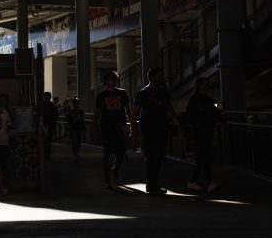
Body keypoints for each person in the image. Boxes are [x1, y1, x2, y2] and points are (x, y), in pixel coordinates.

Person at [133, 67, 183, 195]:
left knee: (158, 157)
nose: (161, 79)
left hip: (161, 128)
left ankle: (153, 184)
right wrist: (133, 128)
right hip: (149, 130)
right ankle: (152, 185)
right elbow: (135, 111)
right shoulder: (143, 93)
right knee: (152, 157)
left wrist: (178, 123)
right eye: (159, 76)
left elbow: (169, 108)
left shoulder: (163, 92)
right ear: (151, 77)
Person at [92, 71, 135, 188]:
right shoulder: (101, 96)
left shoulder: (122, 93)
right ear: (106, 81)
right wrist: (94, 126)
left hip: (119, 127)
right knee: (107, 153)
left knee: (121, 152)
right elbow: (97, 113)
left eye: (114, 79)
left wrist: (131, 125)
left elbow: (128, 110)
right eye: (110, 79)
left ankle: (115, 171)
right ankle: (107, 179)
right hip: (107, 127)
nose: (113, 81)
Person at [184, 76, 223, 192]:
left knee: (203, 158)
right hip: (200, 133)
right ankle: (206, 182)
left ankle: (195, 182)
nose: (208, 86)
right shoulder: (196, 100)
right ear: (200, 85)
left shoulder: (205, 100)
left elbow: (215, 114)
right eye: (206, 84)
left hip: (206, 132)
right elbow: (189, 115)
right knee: (203, 157)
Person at [42, 91, 59, 160]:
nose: (48, 98)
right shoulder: (51, 106)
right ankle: (46, 153)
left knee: (47, 140)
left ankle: (46, 153)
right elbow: (56, 116)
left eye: (48, 96)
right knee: (46, 140)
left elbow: (55, 116)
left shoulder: (51, 106)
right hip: (47, 125)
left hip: (49, 125)